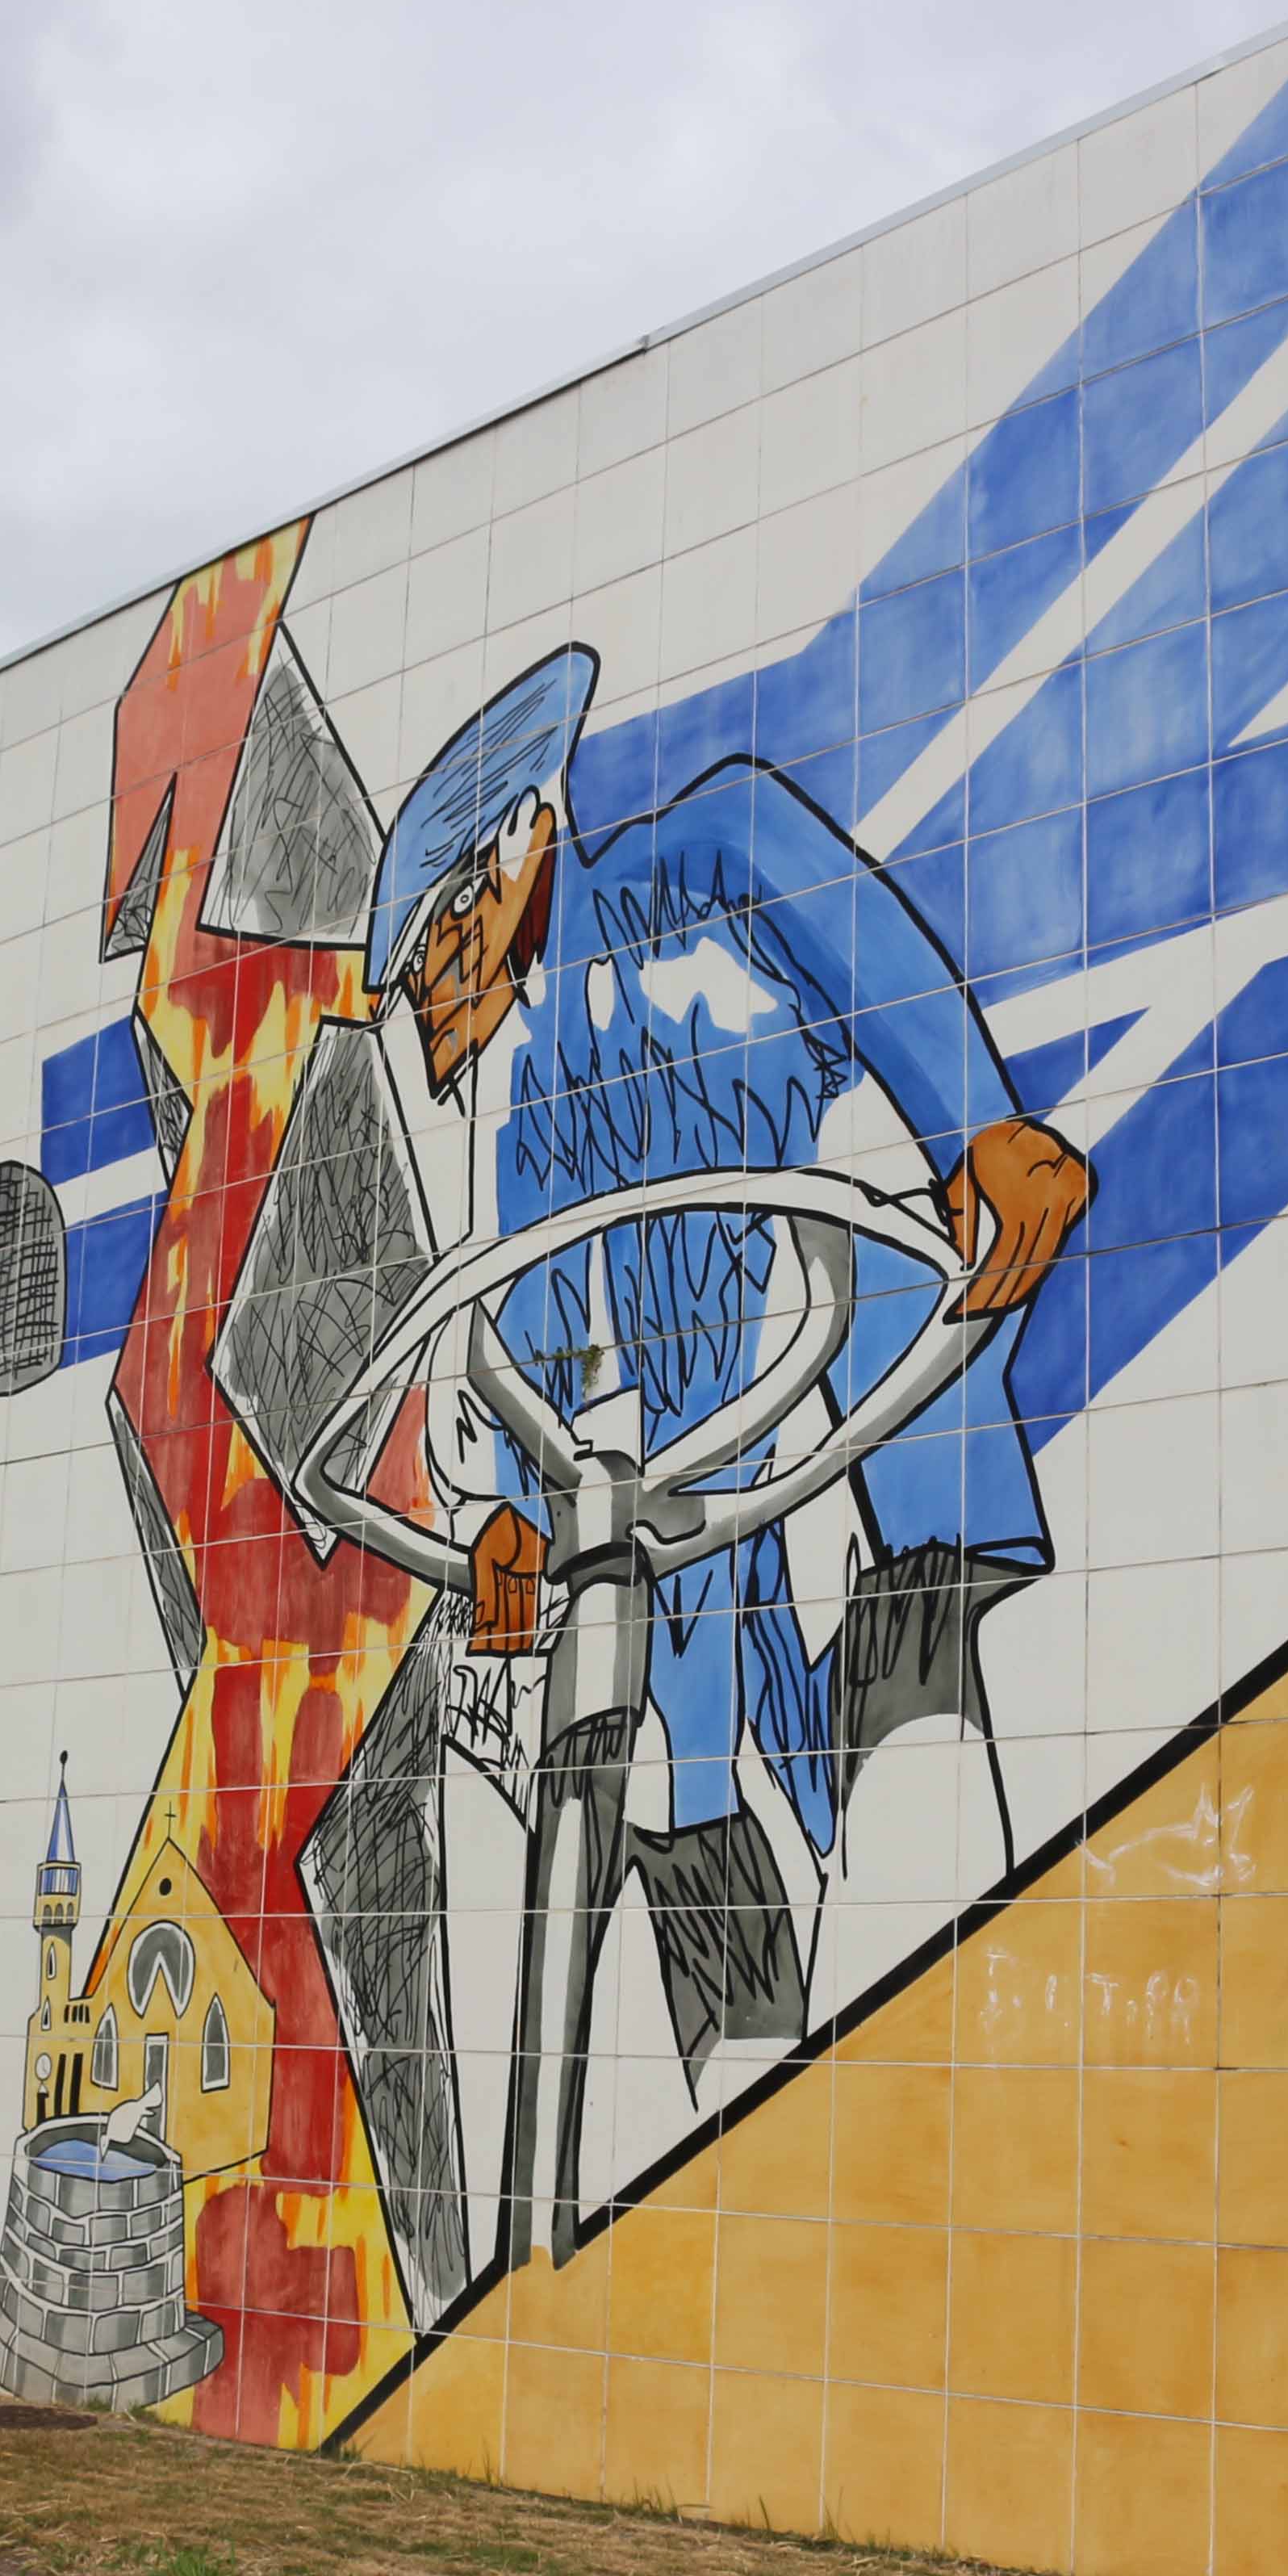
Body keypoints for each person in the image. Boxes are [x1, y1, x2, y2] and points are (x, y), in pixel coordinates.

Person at [364, 648, 1090, 2045]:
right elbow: (527, 1336)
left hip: (867, 1473)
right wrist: (516, 1526)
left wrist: (980, 1124)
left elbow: (863, 953)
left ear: (523, 846)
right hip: (696, 1548)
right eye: (416, 979)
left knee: (921, 1864)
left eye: (443, 941)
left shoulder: (708, 861)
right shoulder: (530, 1114)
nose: (435, 1000)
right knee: (705, 1879)